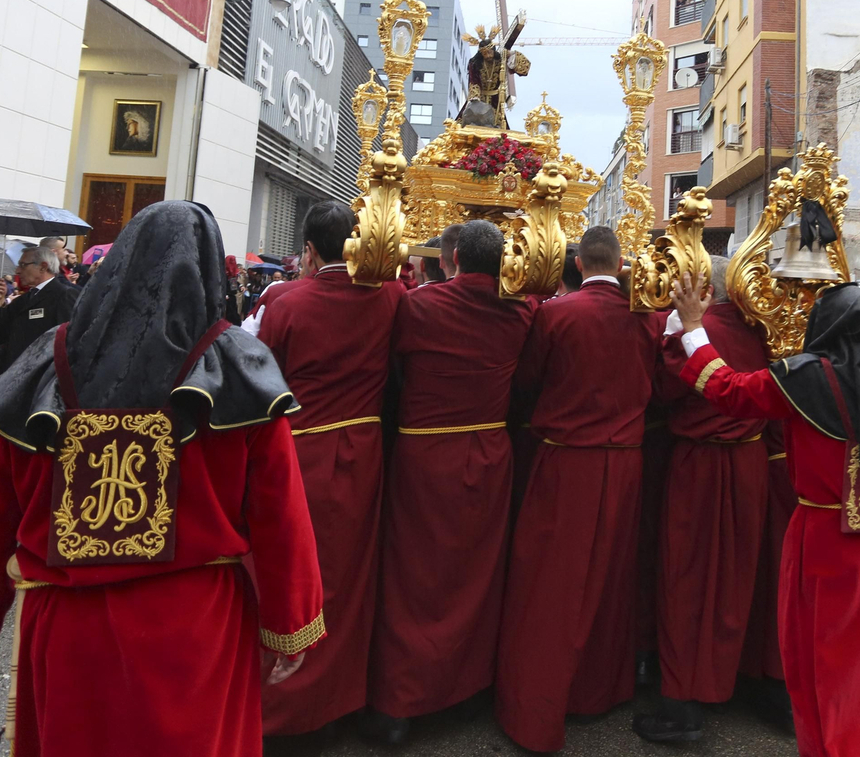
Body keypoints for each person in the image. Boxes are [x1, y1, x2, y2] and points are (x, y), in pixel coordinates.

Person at [0, 201, 324, 755]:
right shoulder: (238, 367)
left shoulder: (46, 362)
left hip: (67, 630)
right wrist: (289, 622)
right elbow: (280, 514)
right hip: (195, 628)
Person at [670, 275, 860, 757]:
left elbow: (728, 389)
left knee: (825, 661)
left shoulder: (807, 376)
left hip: (830, 536)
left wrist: (691, 328)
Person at [362, 221, 536, 742]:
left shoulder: (418, 307)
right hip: (488, 452)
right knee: (476, 573)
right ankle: (467, 689)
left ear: (453, 257)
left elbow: (390, 373)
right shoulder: (522, 312)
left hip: (425, 451)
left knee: (412, 575)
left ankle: (399, 702)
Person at [494, 226, 660, 753]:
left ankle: (537, 707)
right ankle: (598, 690)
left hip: (567, 461)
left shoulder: (555, 314)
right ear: (617, 261)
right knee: (611, 578)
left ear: (581, 263)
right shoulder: (650, 320)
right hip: (626, 464)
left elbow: (527, 381)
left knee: (550, 585)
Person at [257, 201, 403, 737]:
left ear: (312, 251)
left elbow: (261, 382)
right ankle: (340, 698)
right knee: (351, 577)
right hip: (362, 450)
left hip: (299, 452)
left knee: (291, 573)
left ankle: (282, 708)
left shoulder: (289, 303)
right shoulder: (390, 297)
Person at [634, 255, 770, 743]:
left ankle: (682, 703)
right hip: (751, 465)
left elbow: (665, 391)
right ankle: (724, 682)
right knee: (736, 579)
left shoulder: (694, 331)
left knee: (685, 580)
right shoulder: (768, 328)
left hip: (699, 465)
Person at [0, 245, 77, 373]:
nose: (17, 271)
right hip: (13, 373)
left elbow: (68, 341)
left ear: (43, 267)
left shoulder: (64, 295)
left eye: (23, 265)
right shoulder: (25, 299)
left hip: (39, 376)